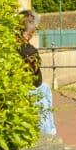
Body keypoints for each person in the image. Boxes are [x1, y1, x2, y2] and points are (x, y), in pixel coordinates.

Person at [18, 10, 58, 139]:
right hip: (33, 90)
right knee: (43, 99)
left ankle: (51, 132)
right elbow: (34, 73)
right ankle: (48, 135)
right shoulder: (28, 51)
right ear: (32, 30)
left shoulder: (16, 45)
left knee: (45, 88)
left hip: (38, 88)